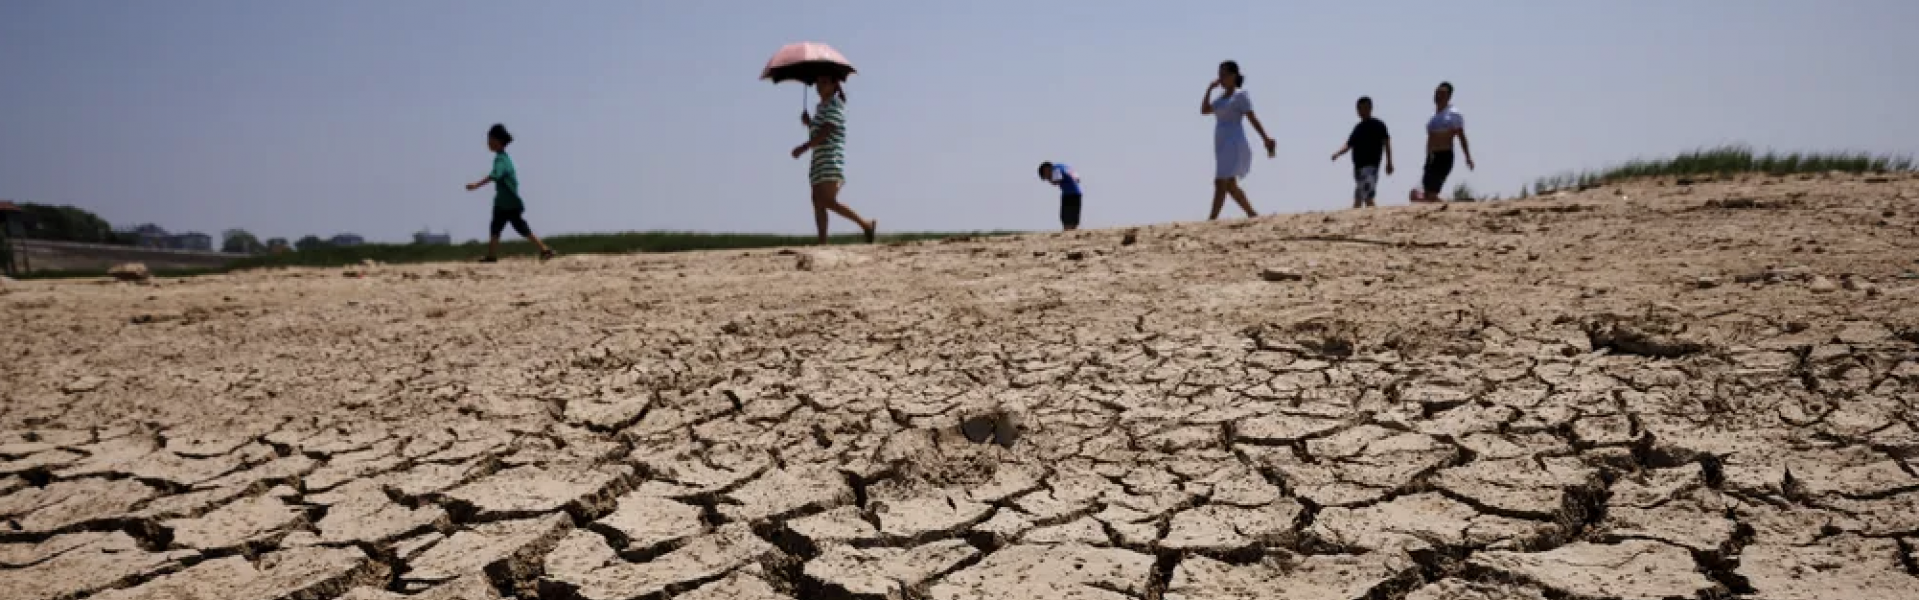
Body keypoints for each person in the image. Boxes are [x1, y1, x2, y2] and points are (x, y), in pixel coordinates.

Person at [793, 74, 877, 245]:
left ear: (833, 85)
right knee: (817, 201)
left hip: (831, 158)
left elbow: (825, 132)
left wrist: (804, 147)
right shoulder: (821, 107)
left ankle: (865, 224)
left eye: (824, 82)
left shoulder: (834, 105)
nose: (819, 86)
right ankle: (822, 241)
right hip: (819, 159)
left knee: (827, 200)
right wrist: (809, 123)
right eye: (818, 82)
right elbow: (819, 131)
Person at [464, 123, 555, 262]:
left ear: (497, 140)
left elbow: (496, 175)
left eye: (490, 139)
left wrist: (476, 184)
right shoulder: (504, 158)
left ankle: (544, 250)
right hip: (502, 201)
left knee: (519, 227)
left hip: (508, 201)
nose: (488, 142)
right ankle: (492, 256)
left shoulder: (500, 159)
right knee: (498, 227)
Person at [1201, 60, 1277, 220]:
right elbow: (1204, 110)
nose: (1220, 78)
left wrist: (1265, 138)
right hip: (1221, 145)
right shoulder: (1221, 98)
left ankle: (1212, 219)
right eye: (1219, 75)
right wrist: (1209, 88)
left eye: (1224, 75)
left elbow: (1252, 118)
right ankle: (1251, 213)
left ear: (1233, 76)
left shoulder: (1240, 95)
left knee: (1220, 182)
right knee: (1230, 185)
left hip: (1233, 143)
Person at [1330, 96, 1393, 208]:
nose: (1361, 111)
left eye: (1364, 108)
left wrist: (1389, 163)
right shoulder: (1358, 128)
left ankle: (1375, 218)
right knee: (1358, 199)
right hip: (1358, 169)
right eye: (1359, 109)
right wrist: (1338, 153)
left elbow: (1387, 143)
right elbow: (1349, 144)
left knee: (1368, 197)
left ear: (1370, 108)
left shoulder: (1378, 125)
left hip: (1371, 168)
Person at [1416, 81, 1474, 202]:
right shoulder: (1433, 116)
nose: (1438, 96)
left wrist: (1468, 157)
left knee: (1432, 193)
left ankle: (1452, 206)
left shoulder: (1453, 114)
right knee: (1425, 194)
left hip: (1444, 156)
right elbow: (1430, 138)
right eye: (1437, 93)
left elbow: (1461, 136)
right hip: (1431, 157)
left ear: (1449, 96)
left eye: (1442, 93)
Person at [1036, 162, 1084, 231]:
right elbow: (1078, 179)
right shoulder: (1064, 166)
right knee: (1073, 218)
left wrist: (1050, 179)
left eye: (1045, 175)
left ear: (1046, 169)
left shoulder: (1055, 169)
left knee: (1066, 218)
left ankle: (1068, 233)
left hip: (1069, 195)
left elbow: (1056, 181)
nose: (1047, 177)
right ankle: (1072, 232)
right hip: (1077, 194)